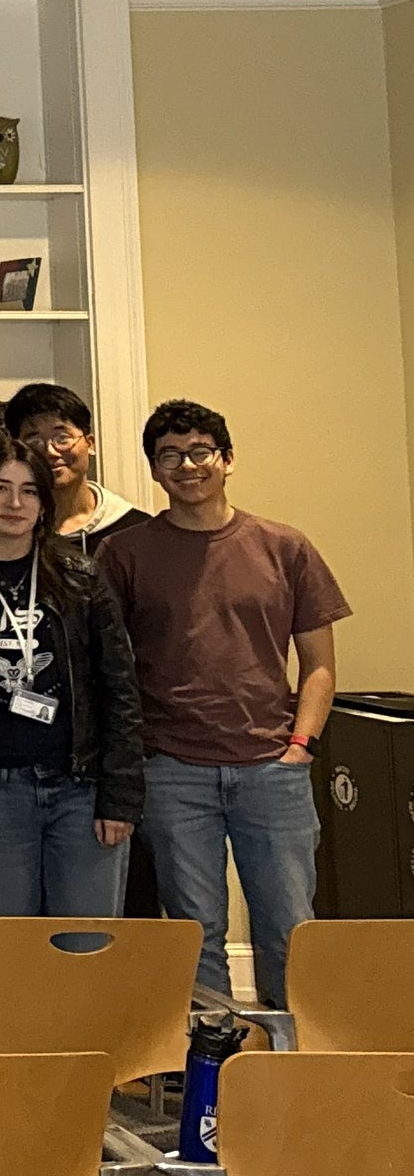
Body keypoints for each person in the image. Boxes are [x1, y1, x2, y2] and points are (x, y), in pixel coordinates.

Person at [101, 400, 347, 1006]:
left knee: (290, 926)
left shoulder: (285, 547)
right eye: (169, 456)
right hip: (172, 770)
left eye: (200, 451)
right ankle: (209, 1069)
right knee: (195, 930)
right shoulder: (125, 554)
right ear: (155, 471)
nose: (186, 465)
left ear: (227, 460)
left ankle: (292, 1060)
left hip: (272, 769)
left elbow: (319, 667)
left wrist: (301, 745)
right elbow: (106, 669)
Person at [0, 437, 143, 918]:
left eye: (30, 491)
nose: (14, 503)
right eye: (0, 488)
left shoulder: (82, 576)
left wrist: (120, 795)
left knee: (85, 946)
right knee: (11, 952)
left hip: (81, 787)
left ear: (44, 504)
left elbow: (119, 688)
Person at [2, 383, 153, 555]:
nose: (50, 451)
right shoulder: (5, 527)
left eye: (62, 438)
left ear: (90, 443)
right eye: (34, 441)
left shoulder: (134, 530)